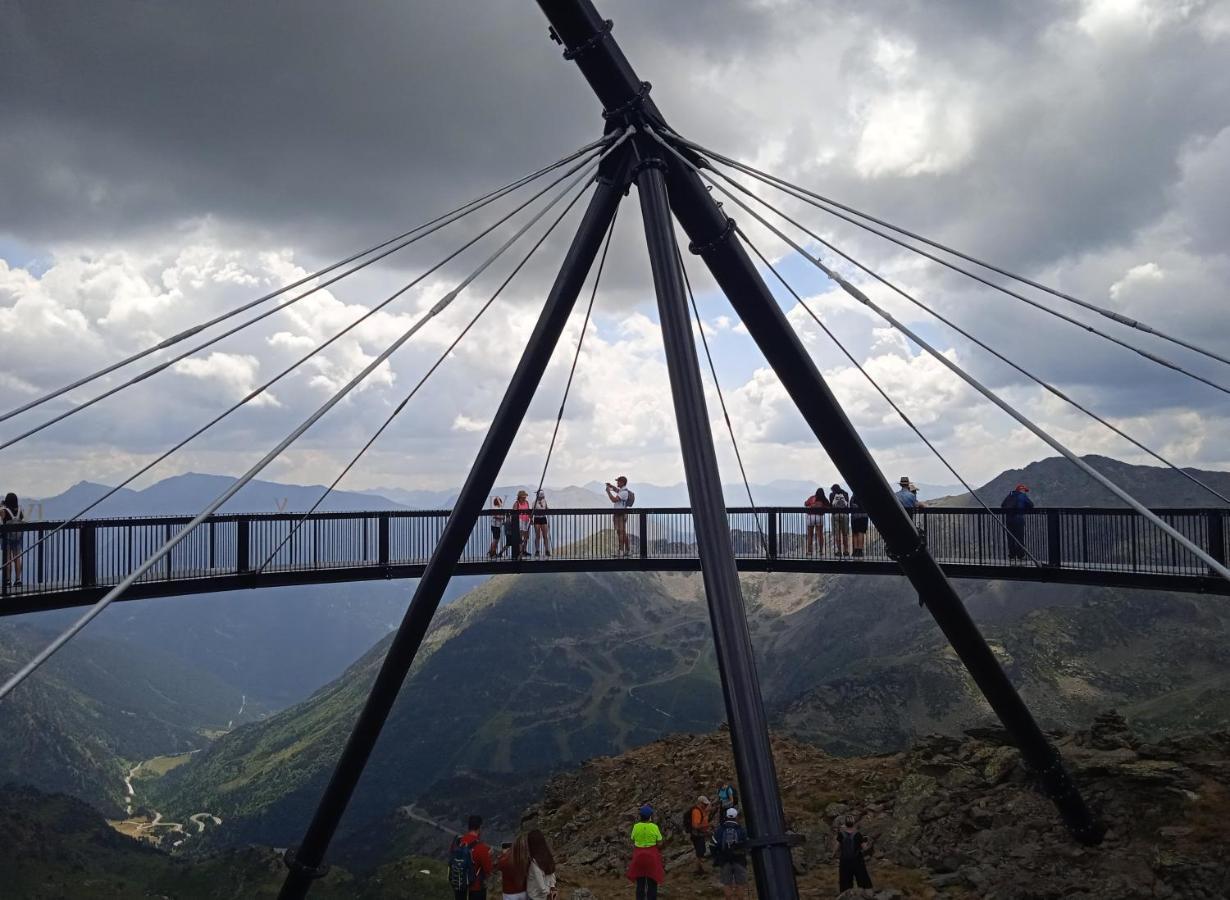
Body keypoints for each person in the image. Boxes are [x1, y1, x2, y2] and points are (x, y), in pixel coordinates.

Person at [448, 815, 494, 900]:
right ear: (480, 827)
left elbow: (451, 858)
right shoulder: (481, 847)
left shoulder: (457, 842)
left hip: (459, 885)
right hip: (476, 888)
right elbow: (488, 870)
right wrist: (489, 856)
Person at [627, 804, 665, 900]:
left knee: (640, 884)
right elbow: (660, 843)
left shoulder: (636, 826)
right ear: (650, 816)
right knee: (652, 883)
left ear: (640, 816)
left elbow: (633, 839)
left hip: (639, 856)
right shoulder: (654, 827)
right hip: (651, 856)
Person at [713, 808, 749, 900]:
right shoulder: (741, 830)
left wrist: (717, 858)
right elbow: (747, 844)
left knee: (727, 884)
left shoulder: (720, 830)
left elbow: (713, 844)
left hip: (724, 860)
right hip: (739, 860)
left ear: (726, 816)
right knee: (740, 884)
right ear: (736, 817)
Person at [834, 814, 873, 892]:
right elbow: (865, 848)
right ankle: (865, 893)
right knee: (862, 877)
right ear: (854, 823)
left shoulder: (841, 834)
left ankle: (846, 894)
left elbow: (836, 847)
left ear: (845, 823)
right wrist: (869, 843)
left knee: (845, 880)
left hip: (844, 860)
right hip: (857, 860)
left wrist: (833, 854)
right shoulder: (858, 834)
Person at [1001, 482, 1034, 562]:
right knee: (1020, 538)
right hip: (1019, 519)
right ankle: (1021, 555)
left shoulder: (1010, 495)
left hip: (1009, 519)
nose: (1025, 492)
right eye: (1025, 491)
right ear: (1021, 490)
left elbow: (1002, 505)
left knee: (1011, 537)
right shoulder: (1022, 496)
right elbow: (1031, 505)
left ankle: (1012, 555)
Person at [525, 829, 557, 900]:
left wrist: (547, 894)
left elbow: (540, 886)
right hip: (545, 894)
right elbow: (551, 873)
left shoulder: (534, 863)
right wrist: (552, 887)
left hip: (535, 896)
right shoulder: (548, 856)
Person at [605, 475, 632, 557]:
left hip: (620, 514)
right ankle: (627, 550)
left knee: (620, 533)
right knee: (622, 533)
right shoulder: (622, 491)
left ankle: (621, 551)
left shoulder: (624, 493)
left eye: (618, 481)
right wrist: (611, 486)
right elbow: (617, 490)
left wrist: (608, 492)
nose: (617, 482)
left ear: (622, 482)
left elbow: (614, 500)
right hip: (620, 514)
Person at [496, 834, 529, 900]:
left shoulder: (504, 861)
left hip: (509, 893)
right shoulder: (525, 859)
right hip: (523, 891)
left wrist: (504, 855)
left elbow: (498, 866)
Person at [2, 493, 24, 589]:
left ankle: (7, 580)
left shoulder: (4, 511)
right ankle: (18, 580)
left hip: (7, 537)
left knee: (8, 559)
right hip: (17, 536)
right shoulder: (19, 510)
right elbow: (22, 519)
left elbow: (1, 519)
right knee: (17, 558)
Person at [687, 795, 713, 875]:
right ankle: (700, 869)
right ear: (700, 803)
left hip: (699, 834)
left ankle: (700, 869)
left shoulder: (701, 810)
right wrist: (707, 825)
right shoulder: (696, 811)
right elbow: (695, 825)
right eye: (704, 804)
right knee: (700, 852)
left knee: (700, 852)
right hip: (697, 835)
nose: (706, 805)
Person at [804, 488, 829, 557]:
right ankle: (821, 551)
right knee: (820, 534)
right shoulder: (824, 499)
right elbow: (828, 506)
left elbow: (805, 503)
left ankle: (809, 551)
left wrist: (811, 505)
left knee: (810, 534)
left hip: (810, 517)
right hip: (819, 517)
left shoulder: (812, 497)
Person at [829, 484, 851, 557]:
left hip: (835, 515)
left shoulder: (832, 495)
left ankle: (839, 551)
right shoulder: (845, 494)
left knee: (837, 534)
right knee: (845, 534)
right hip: (845, 515)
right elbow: (847, 504)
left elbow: (830, 505)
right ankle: (846, 551)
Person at [531, 490, 551, 558]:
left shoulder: (544, 501)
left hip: (543, 518)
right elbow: (532, 511)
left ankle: (547, 550)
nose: (542, 497)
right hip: (537, 518)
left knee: (545, 535)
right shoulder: (534, 503)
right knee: (538, 535)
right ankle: (537, 550)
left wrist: (548, 510)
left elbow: (546, 508)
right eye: (541, 497)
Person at [849, 493, 869, 558]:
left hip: (855, 517)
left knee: (855, 533)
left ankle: (855, 550)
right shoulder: (864, 497)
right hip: (864, 517)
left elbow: (851, 507)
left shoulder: (853, 498)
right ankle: (860, 550)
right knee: (861, 533)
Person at [513, 490, 532, 557]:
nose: (524, 498)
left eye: (525, 497)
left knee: (526, 537)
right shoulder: (516, 503)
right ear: (520, 497)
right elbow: (514, 514)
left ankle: (524, 550)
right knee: (520, 536)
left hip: (526, 521)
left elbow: (529, 512)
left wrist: (530, 518)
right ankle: (520, 551)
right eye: (523, 497)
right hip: (520, 521)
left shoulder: (527, 502)